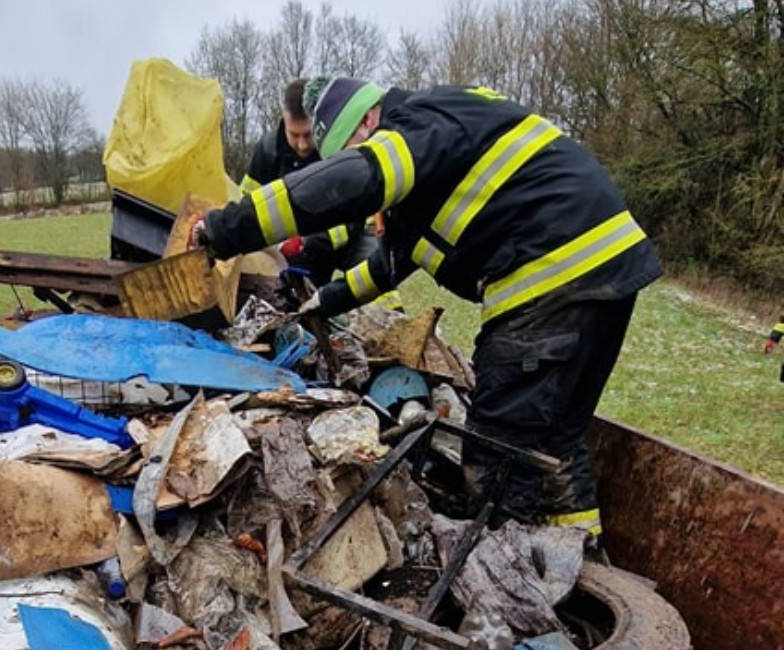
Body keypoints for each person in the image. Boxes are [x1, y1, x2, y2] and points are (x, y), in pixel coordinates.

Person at [191, 77, 664, 538]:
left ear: (368, 120)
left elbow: (350, 182)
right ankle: (579, 556)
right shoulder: (440, 155)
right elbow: (390, 265)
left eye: (355, 149)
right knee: (556, 441)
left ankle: (508, 576)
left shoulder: (415, 124)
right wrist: (326, 299)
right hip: (610, 266)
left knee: (498, 445)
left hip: (549, 271)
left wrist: (226, 230)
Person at [241, 79, 401, 310]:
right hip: (298, 253)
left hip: (354, 235)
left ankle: (399, 326)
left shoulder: (336, 147)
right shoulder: (267, 152)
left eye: (308, 134)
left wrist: (306, 242)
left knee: (377, 279)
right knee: (300, 303)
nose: (303, 144)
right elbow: (247, 203)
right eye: (294, 135)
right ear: (283, 120)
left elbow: (353, 214)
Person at [766, 314, 784, 382]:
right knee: (772, 345)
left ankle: (768, 354)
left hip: (772, 336)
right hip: (776, 337)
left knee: (769, 345)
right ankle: (768, 354)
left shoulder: (777, 324)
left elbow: (774, 330)